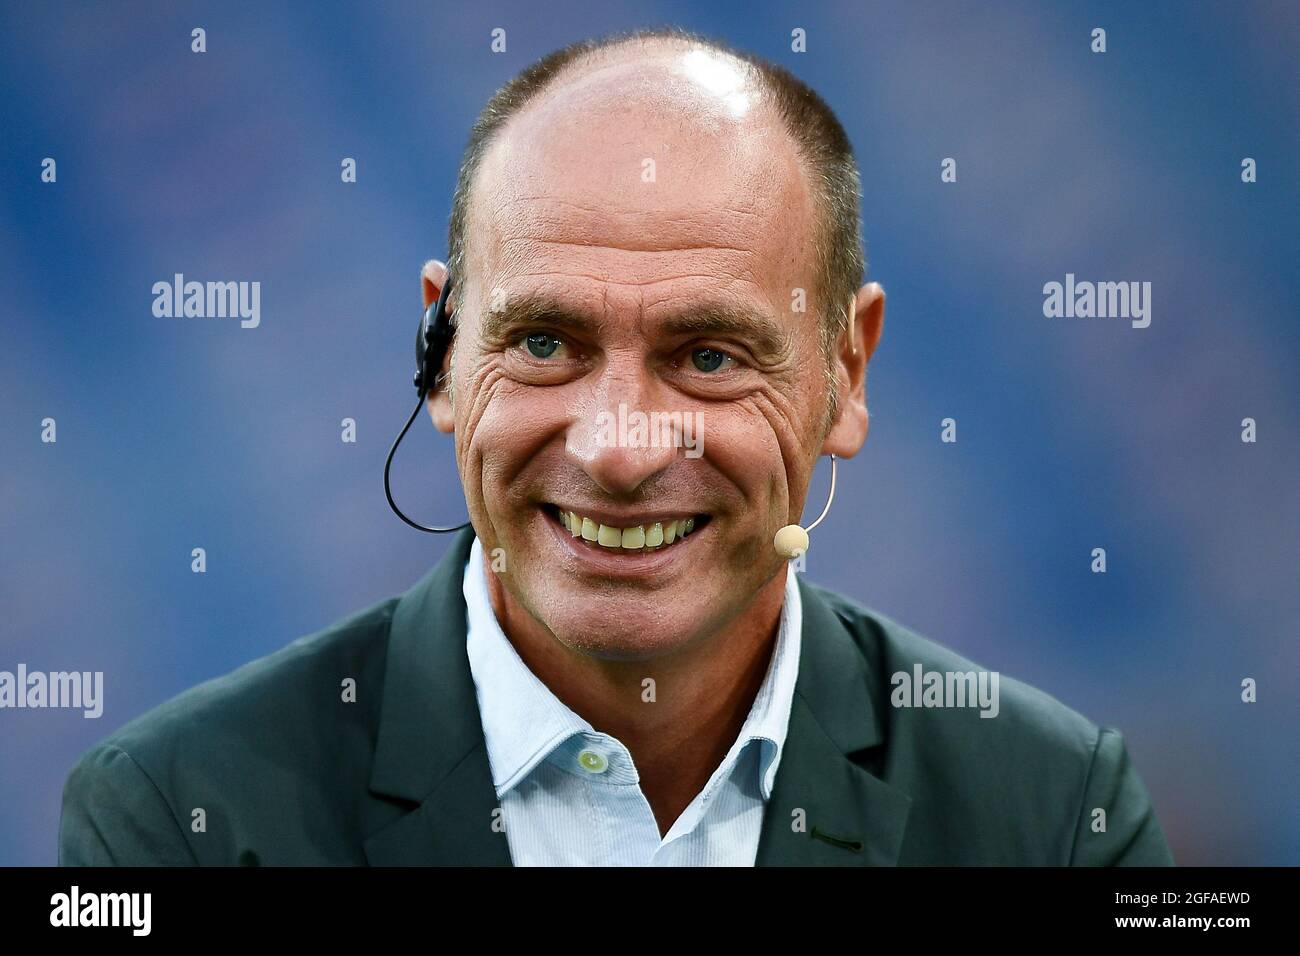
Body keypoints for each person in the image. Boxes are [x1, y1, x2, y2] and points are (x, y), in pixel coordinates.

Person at [59, 27, 1173, 866]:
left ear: (847, 371)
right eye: (545, 341)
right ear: (442, 353)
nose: (619, 447)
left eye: (708, 354)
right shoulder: (175, 816)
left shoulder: (1053, 812)